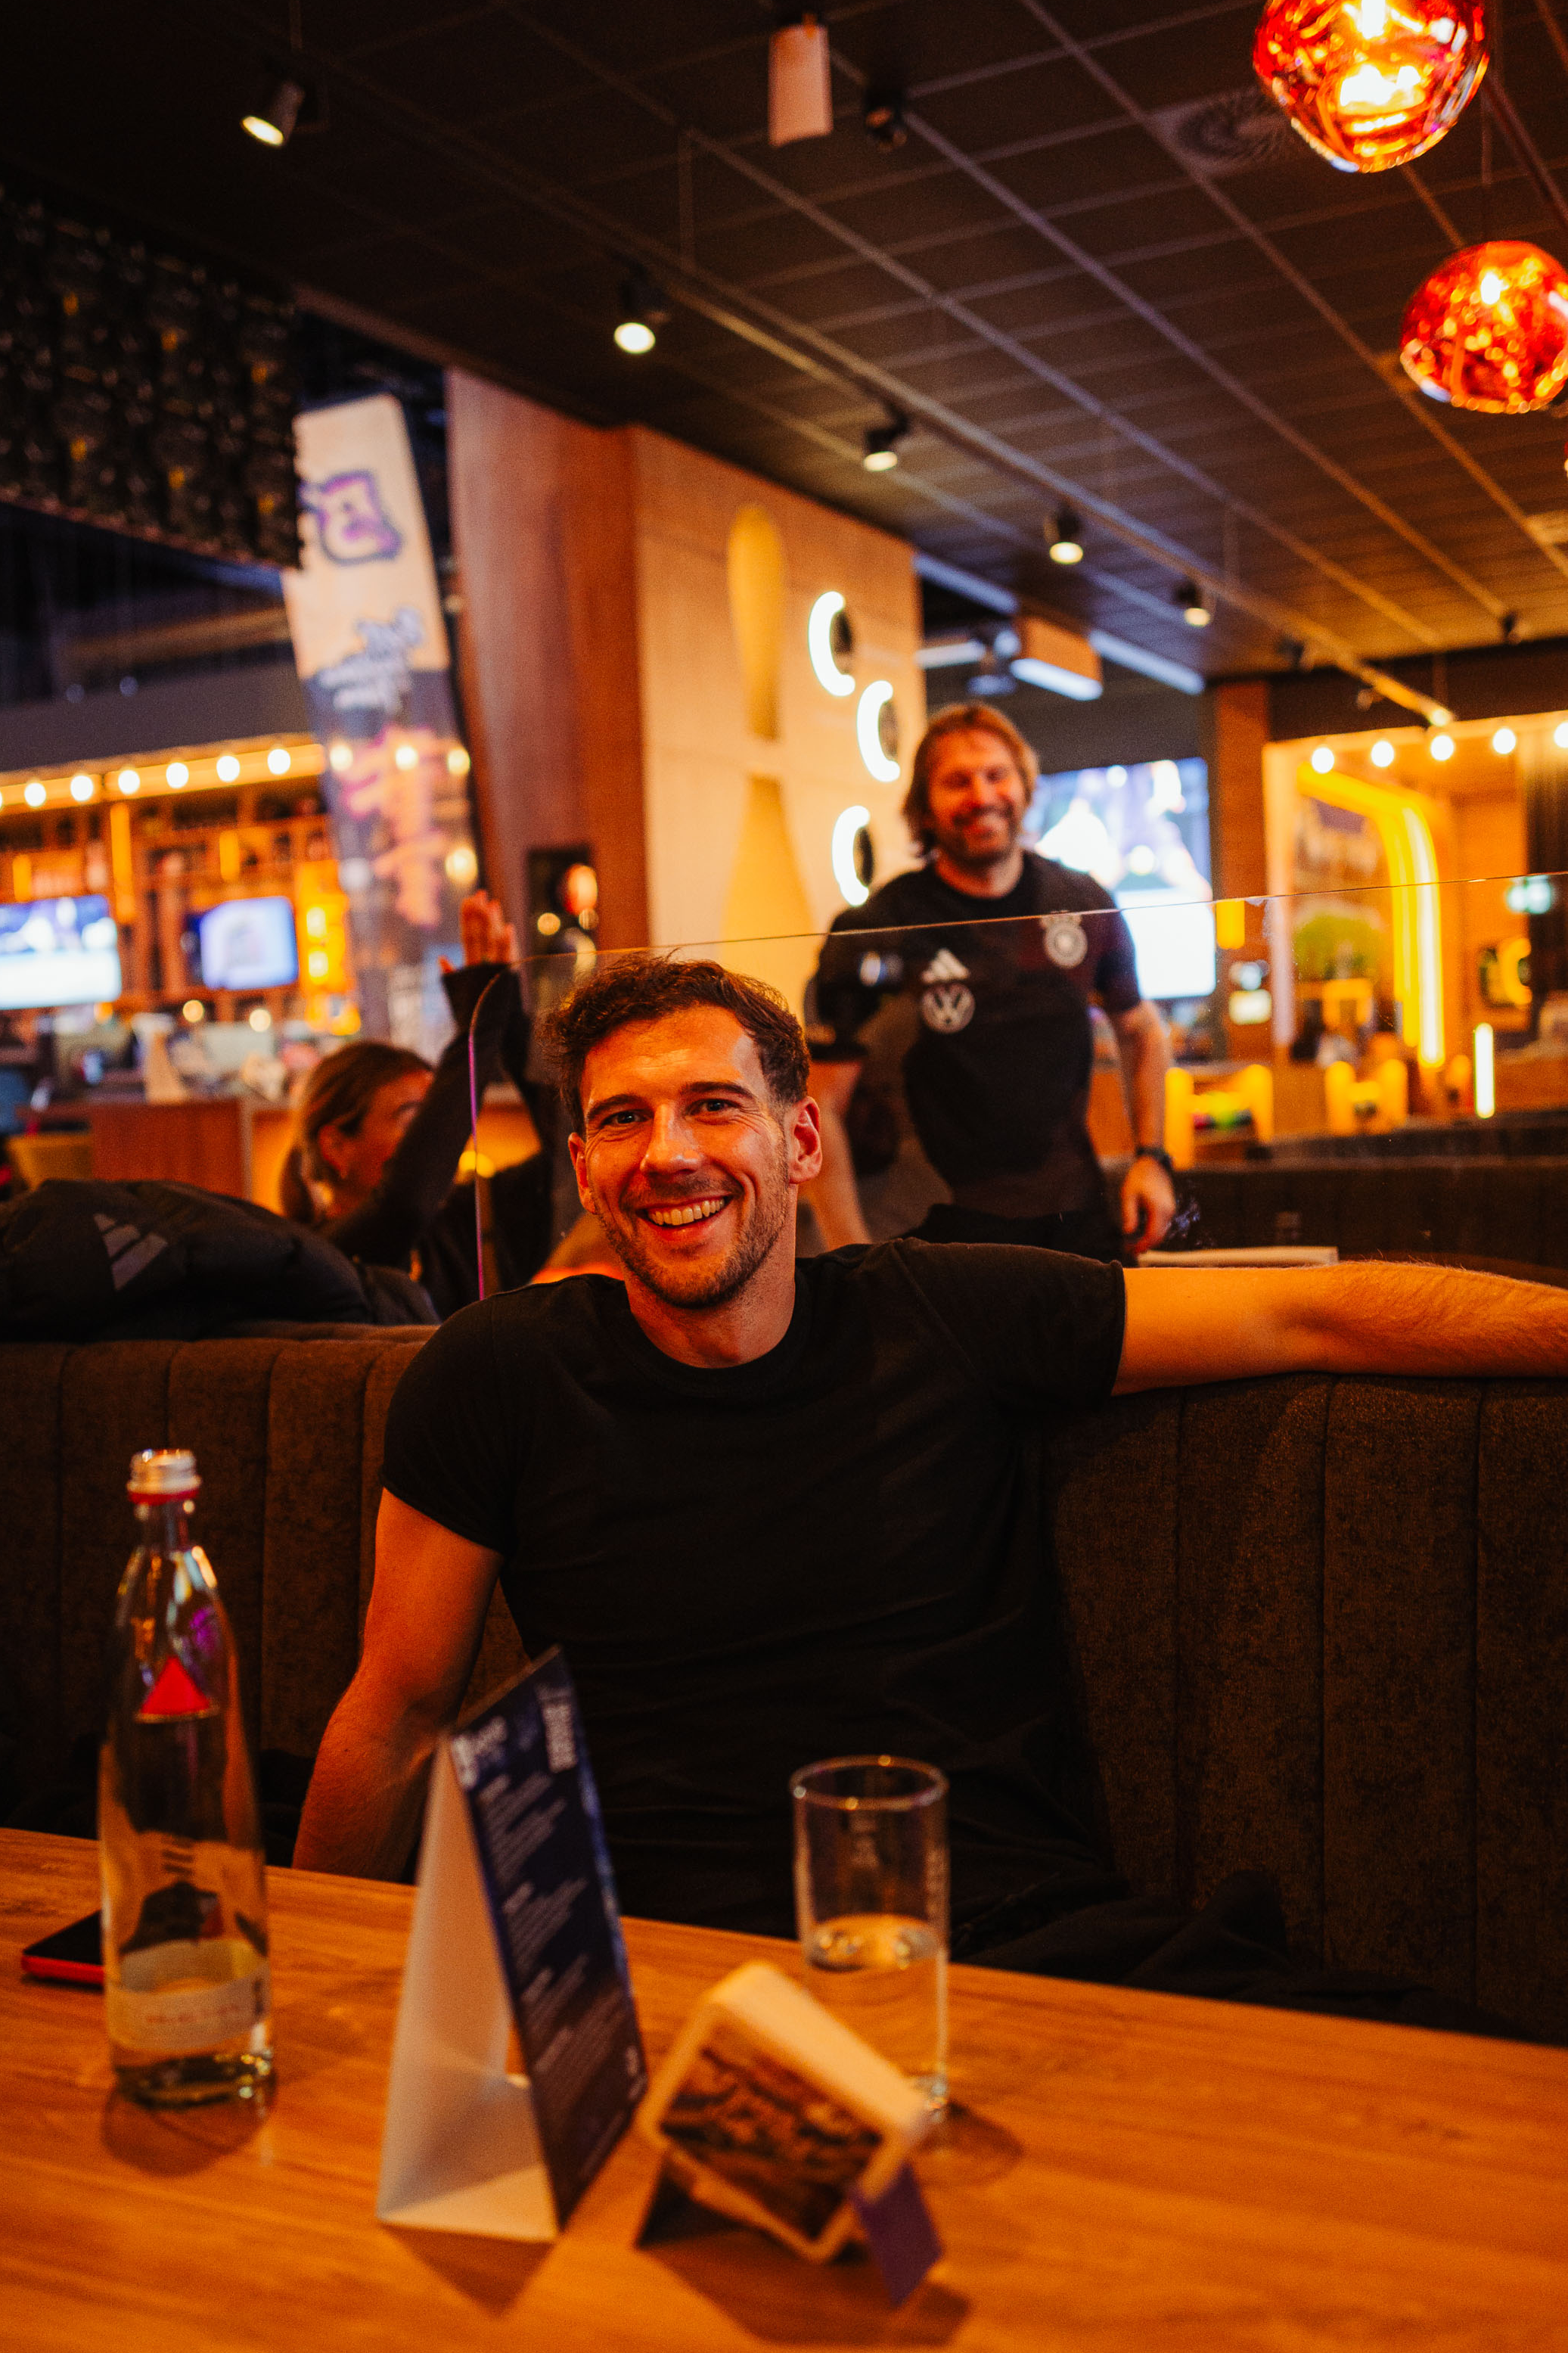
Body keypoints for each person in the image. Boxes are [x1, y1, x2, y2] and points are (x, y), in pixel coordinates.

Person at [294, 955, 1568, 2026]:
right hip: (656, 1976)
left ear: (799, 1139)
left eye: (712, 1106)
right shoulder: (497, 1374)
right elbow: (395, 1713)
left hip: (1009, 1944)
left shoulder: (937, 1310)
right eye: (623, 1119)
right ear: (583, 1165)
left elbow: (1310, 1311)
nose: (667, 1153)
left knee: (1475, 2078)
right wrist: (309, 1990)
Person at [812, 701, 1175, 1263]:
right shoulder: (876, 927)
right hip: (934, 1239)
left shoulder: (1082, 902)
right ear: (924, 808)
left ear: (1025, 788)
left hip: (1076, 1226)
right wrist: (850, 1258)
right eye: (957, 782)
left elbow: (1142, 1030)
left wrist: (1152, 1157)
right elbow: (819, 1106)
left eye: (996, 775)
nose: (981, 796)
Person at [280, 892, 560, 1317]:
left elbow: (573, 1158)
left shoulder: (463, 1223)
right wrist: (478, 1028)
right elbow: (404, 1204)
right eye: (416, 1121)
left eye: (438, 1118)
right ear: (336, 1146)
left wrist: (512, 1030)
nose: (439, 1141)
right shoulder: (317, 1257)